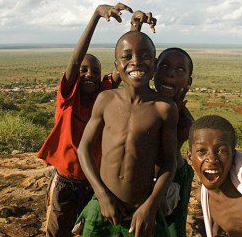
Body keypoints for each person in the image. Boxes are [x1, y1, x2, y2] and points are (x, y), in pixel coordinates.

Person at [36, 3, 132, 236]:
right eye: (85, 70)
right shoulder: (68, 98)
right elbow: (74, 62)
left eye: (95, 71)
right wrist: (96, 16)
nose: (89, 74)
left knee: (88, 231)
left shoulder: (103, 94)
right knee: (58, 231)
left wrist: (135, 26)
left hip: (94, 182)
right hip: (66, 183)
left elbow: (126, 64)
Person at [76, 31, 178, 236]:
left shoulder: (164, 108)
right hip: (103, 206)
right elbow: (83, 149)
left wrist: (151, 205)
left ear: (155, 64)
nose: (136, 62)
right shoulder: (105, 100)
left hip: (141, 209)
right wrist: (102, 196)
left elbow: (169, 162)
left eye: (145, 56)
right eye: (127, 56)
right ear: (117, 66)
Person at [130, 10, 195, 237]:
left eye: (180, 70)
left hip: (170, 184)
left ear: (189, 81)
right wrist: (135, 28)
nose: (170, 75)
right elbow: (130, 61)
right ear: (154, 70)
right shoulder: (146, 102)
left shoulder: (184, 122)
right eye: (165, 67)